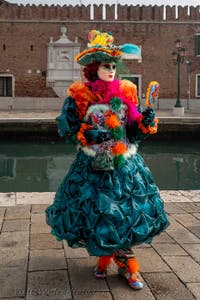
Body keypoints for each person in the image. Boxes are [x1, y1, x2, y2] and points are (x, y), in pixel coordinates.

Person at [46, 29, 170, 290]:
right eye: (106, 65)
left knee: (125, 215)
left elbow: (133, 133)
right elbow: (68, 128)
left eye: (114, 65)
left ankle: (128, 268)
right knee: (99, 215)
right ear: (94, 68)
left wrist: (145, 123)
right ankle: (104, 259)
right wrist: (87, 133)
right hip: (92, 166)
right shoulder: (79, 96)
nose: (111, 69)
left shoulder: (126, 92)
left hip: (124, 165)